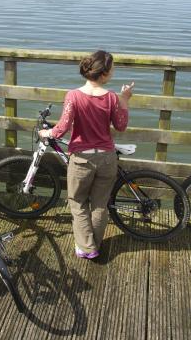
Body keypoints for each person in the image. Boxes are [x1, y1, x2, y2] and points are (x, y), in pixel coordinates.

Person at [39, 50, 134, 259]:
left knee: (77, 201)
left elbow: (62, 128)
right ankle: (93, 245)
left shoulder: (73, 96)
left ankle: (87, 247)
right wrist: (125, 100)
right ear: (105, 74)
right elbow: (121, 126)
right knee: (100, 203)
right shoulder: (111, 98)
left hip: (82, 159)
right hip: (107, 157)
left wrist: (47, 132)